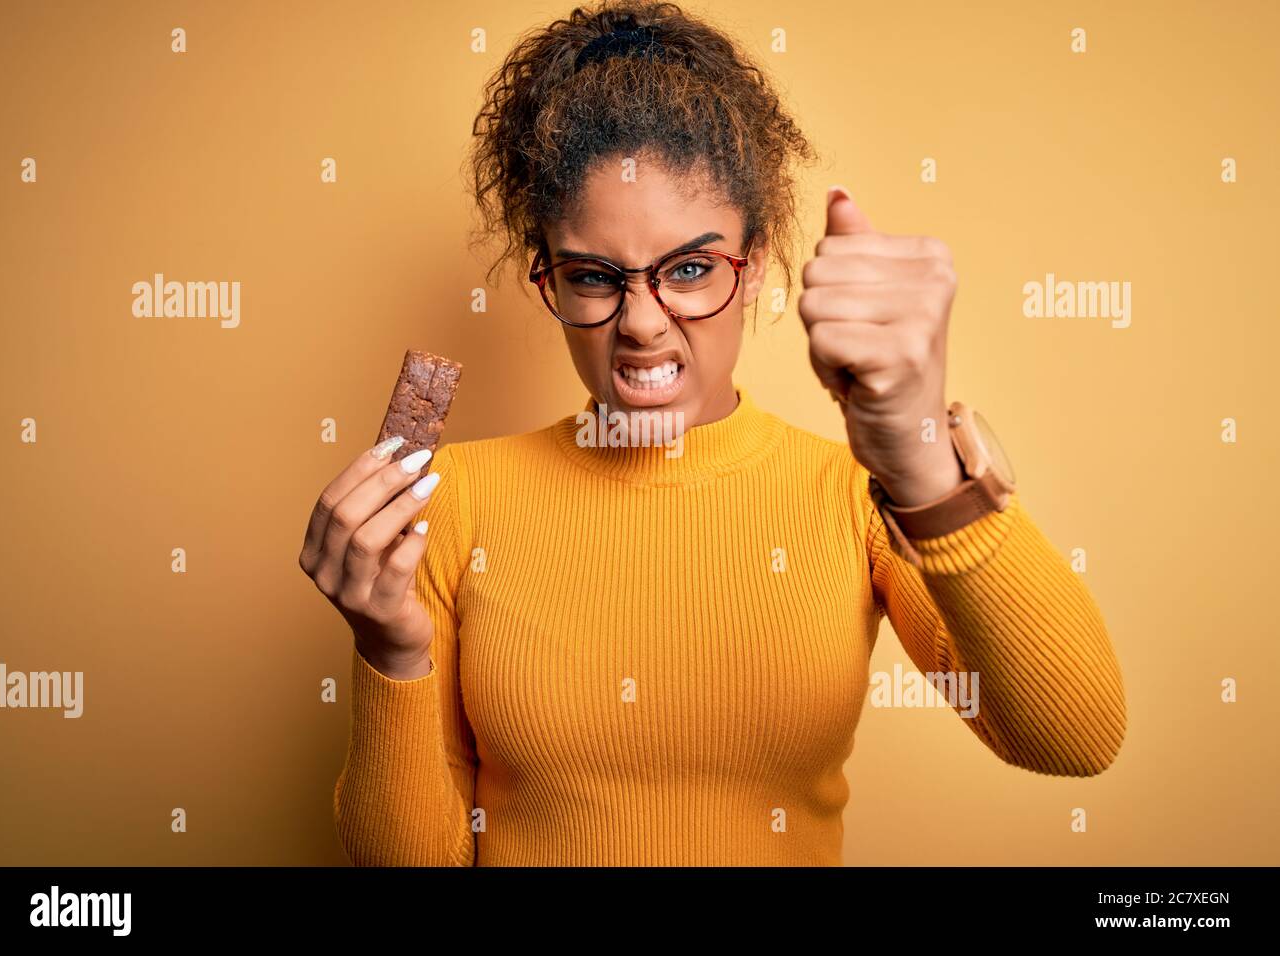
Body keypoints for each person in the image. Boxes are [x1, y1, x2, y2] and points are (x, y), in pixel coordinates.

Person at [299, 0, 1126, 866]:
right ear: (547, 272)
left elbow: (1073, 739)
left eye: (691, 269)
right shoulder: (453, 500)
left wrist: (923, 461)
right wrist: (387, 649)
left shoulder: (853, 496)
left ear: (758, 262)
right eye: (594, 277)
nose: (645, 324)